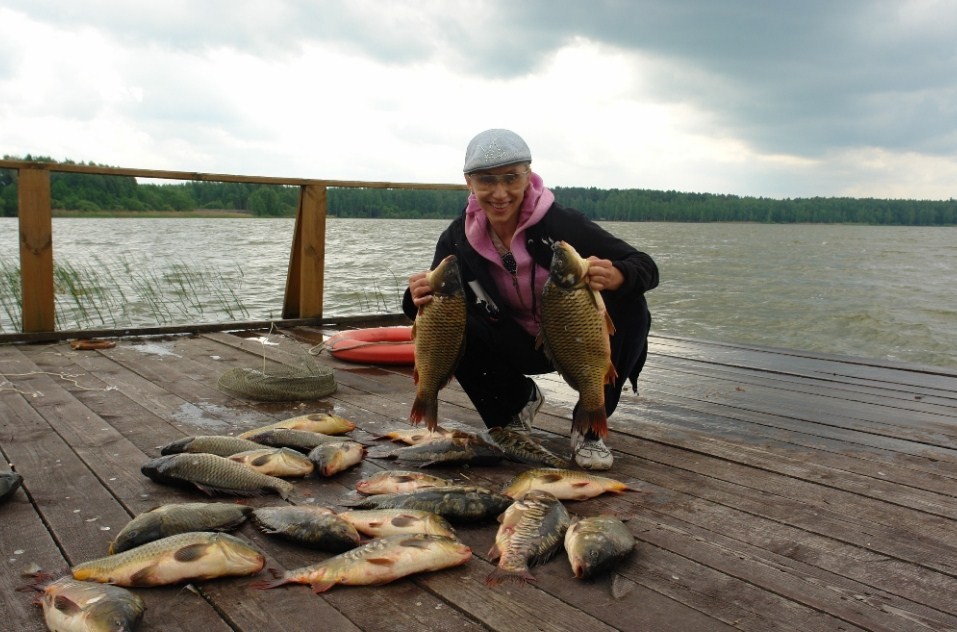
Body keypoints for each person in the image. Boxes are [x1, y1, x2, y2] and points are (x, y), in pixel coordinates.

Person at [403, 129, 658, 470]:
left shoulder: (561, 223)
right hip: (512, 345)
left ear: (528, 174)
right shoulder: (457, 238)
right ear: (469, 182)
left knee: (631, 305)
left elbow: (646, 267)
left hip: (574, 341)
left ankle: (590, 424)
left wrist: (618, 275)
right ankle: (513, 405)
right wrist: (414, 296)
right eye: (486, 180)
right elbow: (425, 305)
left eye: (511, 178)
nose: (500, 192)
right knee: (454, 318)